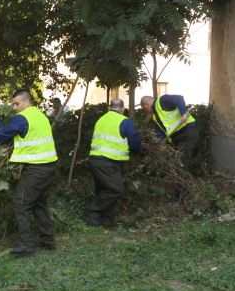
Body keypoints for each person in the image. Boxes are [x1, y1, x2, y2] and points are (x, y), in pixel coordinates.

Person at [0, 89, 58, 255]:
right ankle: (48, 241)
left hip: (36, 168)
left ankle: (26, 244)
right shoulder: (40, 116)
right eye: (13, 104)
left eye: (17, 103)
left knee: (20, 202)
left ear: (27, 102)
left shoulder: (22, 118)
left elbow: (2, 135)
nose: (14, 107)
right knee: (39, 203)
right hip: (49, 166)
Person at [82, 99, 142, 229]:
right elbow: (134, 141)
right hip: (108, 162)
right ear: (123, 109)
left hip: (95, 160)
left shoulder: (101, 120)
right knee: (116, 190)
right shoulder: (124, 121)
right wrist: (139, 150)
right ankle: (91, 211)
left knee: (104, 190)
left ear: (109, 108)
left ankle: (107, 220)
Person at [140, 94, 199, 200]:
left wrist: (183, 113)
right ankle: (183, 192)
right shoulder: (155, 118)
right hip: (178, 139)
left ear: (147, 104)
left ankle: (179, 197)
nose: (147, 112)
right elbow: (161, 134)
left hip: (187, 133)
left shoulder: (163, 101)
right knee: (179, 164)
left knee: (180, 165)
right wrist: (161, 145)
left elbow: (179, 98)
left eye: (145, 109)